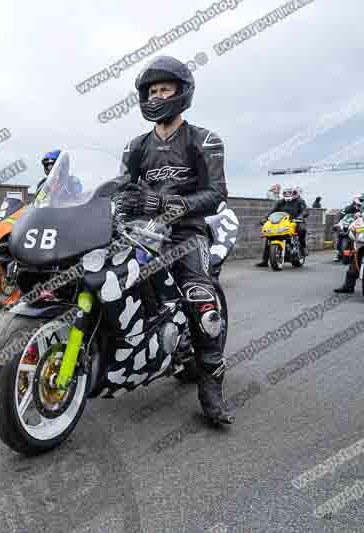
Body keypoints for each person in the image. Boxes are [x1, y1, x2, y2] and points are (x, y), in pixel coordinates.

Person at [114, 55, 233, 425]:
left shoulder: (205, 140)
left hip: (186, 233)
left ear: (182, 93)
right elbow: (121, 191)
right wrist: (118, 206)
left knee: (201, 297)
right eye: (151, 90)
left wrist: (166, 202)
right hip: (139, 233)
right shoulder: (135, 146)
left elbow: (217, 193)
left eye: (165, 88)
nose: (157, 96)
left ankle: (211, 387)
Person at [255, 184, 309, 267]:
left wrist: (301, 216)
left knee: (302, 229)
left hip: (295, 221)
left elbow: (305, 211)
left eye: (289, 192)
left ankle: (303, 247)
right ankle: (264, 261)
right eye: (285, 193)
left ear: (294, 193)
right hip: (282, 222)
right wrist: (265, 218)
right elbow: (272, 211)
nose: (287, 194)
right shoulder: (280, 202)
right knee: (270, 236)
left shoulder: (300, 201)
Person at [334, 193, 364, 292]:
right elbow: (342, 217)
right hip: (360, 240)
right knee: (354, 262)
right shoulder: (355, 213)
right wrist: (338, 225)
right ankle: (348, 287)